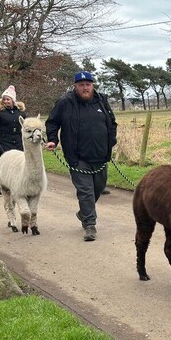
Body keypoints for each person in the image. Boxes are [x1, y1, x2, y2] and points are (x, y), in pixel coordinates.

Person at [45, 71, 118, 242]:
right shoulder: (65, 103)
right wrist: (53, 140)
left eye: (88, 84)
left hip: (100, 156)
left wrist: (111, 141)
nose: (85, 87)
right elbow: (52, 122)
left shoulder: (102, 101)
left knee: (98, 189)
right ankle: (90, 225)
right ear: (75, 86)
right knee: (86, 192)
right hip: (77, 157)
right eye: (81, 85)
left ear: (92, 85)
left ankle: (84, 212)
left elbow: (112, 123)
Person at [0, 84, 27, 195]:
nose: (6, 101)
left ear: (13, 100)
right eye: (4, 99)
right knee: (6, 164)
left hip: (18, 141)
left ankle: (16, 185)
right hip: (3, 141)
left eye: (8, 99)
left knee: (18, 164)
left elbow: (25, 124)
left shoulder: (21, 112)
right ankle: (2, 185)